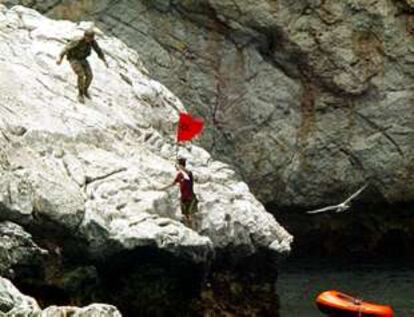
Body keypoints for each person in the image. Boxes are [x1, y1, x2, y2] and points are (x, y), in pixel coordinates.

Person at [57, 29, 108, 103]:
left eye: (91, 38)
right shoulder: (78, 41)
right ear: (85, 36)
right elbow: (66, 49)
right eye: (88, 38)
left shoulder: (92, 42)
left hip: (82, 59)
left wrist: (104, 60)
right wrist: (60, 58)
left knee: (90, 76)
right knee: (81, 75)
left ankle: (85, 90)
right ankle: (80, 94)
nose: (89, 40)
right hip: (73, 58)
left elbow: (98, 50)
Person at [159, 158, 198, 227]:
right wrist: (162, 188)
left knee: (189, 215)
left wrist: (180, 167)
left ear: (181, 165)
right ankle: (189, 228)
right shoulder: (179, 175)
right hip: (183, 198)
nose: (175, 167)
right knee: (185, 215)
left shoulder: (188, 174)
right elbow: (172, 183)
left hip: (190, 197)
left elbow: (187, 172)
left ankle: (192, 229)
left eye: (177, 165)